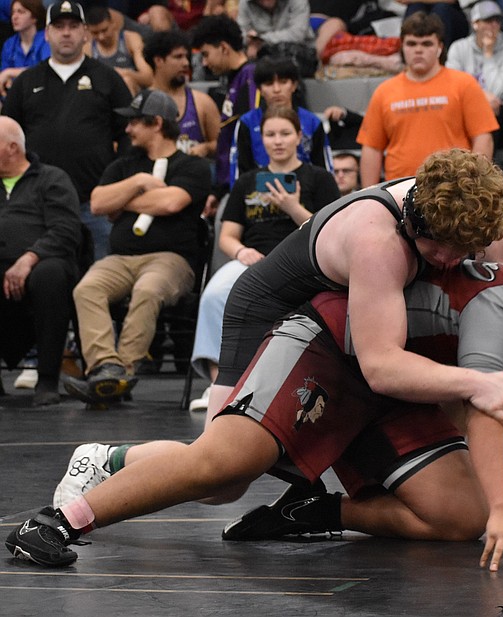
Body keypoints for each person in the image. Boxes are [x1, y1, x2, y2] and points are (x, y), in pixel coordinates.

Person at [12, 249, 503, 570]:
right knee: (226, 467)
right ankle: (68, 510)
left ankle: (310, 511)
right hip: (331, 347)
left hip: (397, 385)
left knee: (458, 516)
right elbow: (490, 412)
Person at [61, 89, 211, 403]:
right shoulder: (125, 165)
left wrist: (124, 200)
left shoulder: (192, 167)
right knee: (86, 288)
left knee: (148, 289)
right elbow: (99, 203)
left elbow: (171, 202)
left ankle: (123, 372)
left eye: (134, 123)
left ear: (156, 123)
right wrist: (139, 183)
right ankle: (106, 368)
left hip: (170, 260)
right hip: (120, 259)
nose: (127, 129)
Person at [188, 105, 340, 411]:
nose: (278, 141)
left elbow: (334, 233)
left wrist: (293, 207)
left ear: (300, 136)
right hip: (253, 260)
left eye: (285, 133)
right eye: (270, 134)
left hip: (304, 263)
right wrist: (241, 251)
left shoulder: (320, 179)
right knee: (216, 294)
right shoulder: (247, 181)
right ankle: (221, 383)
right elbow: (227, 235)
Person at [2, 1, 133, 263]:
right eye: (59, 26)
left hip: (96, 203)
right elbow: (5, 137)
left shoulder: (109, 79)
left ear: (85, 33)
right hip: (37, 206)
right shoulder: (26, 82)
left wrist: (117, 186)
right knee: (42, 281)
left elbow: (131, 134)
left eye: (73, 26)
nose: (66, 33)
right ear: (47, 33)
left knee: (101, 282)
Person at [357, 12, 499, 187]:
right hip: (400, 191)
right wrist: (369, 196)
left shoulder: (464, 84)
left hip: (453, 188)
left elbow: (483, 138)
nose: (418, 50)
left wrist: (475, 185)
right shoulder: (384, 92)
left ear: (439, 47)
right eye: (411, 43)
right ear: (402, 47)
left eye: (426, 44)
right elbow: (372, 148)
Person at [0, 117, 81, 407]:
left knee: (50, 275)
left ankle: (47, 378)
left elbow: (66, 229)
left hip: (43, 264)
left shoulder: (51, 179)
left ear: (12, 148)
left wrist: (29, 258)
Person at [191, 14, 257, 217]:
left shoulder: (251, 77)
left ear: (223, 48)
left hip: (248, 188)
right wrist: (219, 191)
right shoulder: (232, 80)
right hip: (231, 185)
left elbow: (252, 135)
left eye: (206, 54)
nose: (204, 62)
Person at [230, 56, 331, 187]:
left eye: (283, 82)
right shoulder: (246, 123)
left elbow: (324, 171)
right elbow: (240, 173)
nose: (276, 89)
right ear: (260, 89)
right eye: (269, 84)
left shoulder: (312, 122)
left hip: (307, 195)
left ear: (294, 85)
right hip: (259, 196)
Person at [445, 1, 503, 154]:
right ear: (475, 24)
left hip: (500, 110)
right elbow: (451, 86)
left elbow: (497, 91)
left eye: (497, 21)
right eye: (488, 21)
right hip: (465, 105)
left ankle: (484, 168)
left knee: (490, 108)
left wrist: (488, 55)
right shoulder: (459, 48)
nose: (493, 26)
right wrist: (480, 96)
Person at [143, 29, 220, 161]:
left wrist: (206, 148)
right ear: (158, 61)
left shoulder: (202, 102)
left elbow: (222, 144)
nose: (186, 63)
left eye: (186, 57)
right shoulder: (141, 103)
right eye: (178, 57)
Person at [85, 5, 153, 95]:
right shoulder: (87, 49)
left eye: (104, 30)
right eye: (95, 33)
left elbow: (148, 78)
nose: (101, 37)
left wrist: (126, 73)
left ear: (113, 24)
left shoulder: (130, 39)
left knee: (126, 80)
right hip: (103, 95)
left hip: (132, 91)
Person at [0, 0, 50, 96]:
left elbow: (46, 71)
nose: (15, 17)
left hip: (42, 95)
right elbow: (4, 78)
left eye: (21, 12)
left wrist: (10, 72)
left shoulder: (46, 39)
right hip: (16, 97)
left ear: (34, 17)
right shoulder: (9, 44)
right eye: (13, 12)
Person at [236, 0, 313, 60]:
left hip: (299, 54)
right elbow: (241, 34)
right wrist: (249, 39)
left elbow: (297, 34)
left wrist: (261, 39)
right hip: (262, 57)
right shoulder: (245, 3)